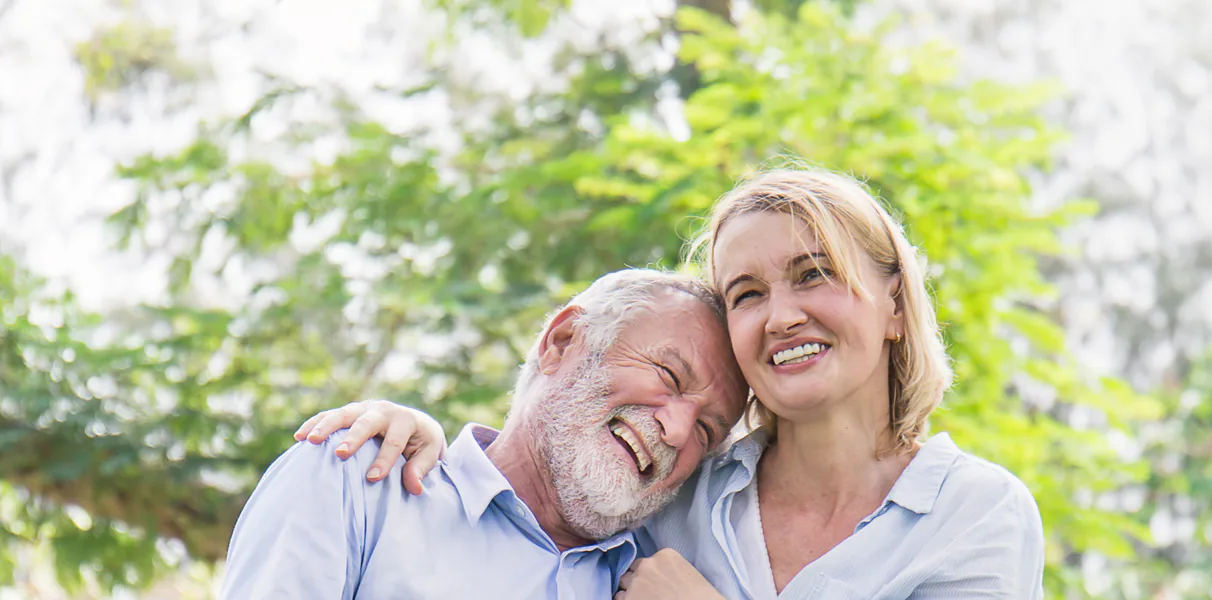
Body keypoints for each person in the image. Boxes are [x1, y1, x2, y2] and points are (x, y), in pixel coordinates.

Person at [295, 168, 1046, 599]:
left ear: (893, 304)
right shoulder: (679, 492)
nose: (782, 315)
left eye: (814, 275)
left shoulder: (974, 515)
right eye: (748, 293)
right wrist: (418, 431)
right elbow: (539, 485)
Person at [221, 269, 749, 599]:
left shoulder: (669, 580)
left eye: (707, 430)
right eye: (669, 376)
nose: (678, 430)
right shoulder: (355, 478)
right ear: (562, 341)